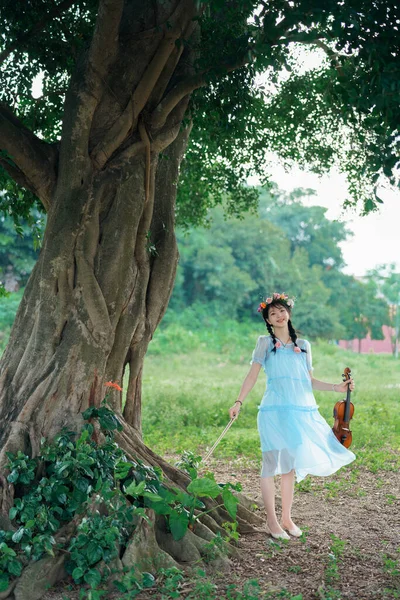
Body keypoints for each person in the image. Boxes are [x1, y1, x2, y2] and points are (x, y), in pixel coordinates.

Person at [229, 292, 355, 540]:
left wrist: (336, 387)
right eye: (272, 313)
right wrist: (238, 401)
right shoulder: (264, 343)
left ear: (288, 313)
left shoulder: (304, 345)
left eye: (281, 310)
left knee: (289, 467)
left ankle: (287, 518)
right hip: (273, 411)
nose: (278, 315)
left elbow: (309, 381)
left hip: (299, 411)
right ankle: (272, 521)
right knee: (270, 464)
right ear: (268, 319)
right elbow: (252, 375)